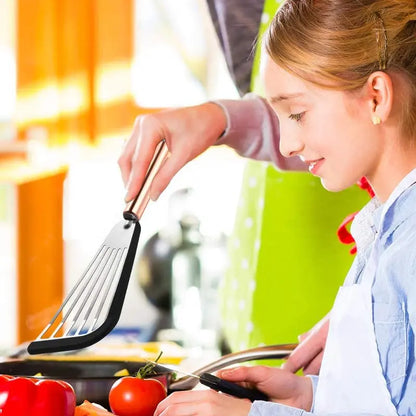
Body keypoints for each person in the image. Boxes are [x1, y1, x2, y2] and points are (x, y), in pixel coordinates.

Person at [151, 0, 416, 414]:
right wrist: (309, 396)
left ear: (377, 97)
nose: (286, 146)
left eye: (297, 114)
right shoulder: (385, 228)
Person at [120, 0, 366, 376]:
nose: (287, 143)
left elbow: (358, 111)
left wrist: (375, 309)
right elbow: (309, 106)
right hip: (261, 327)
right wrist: (219, 117)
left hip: (347, 310)